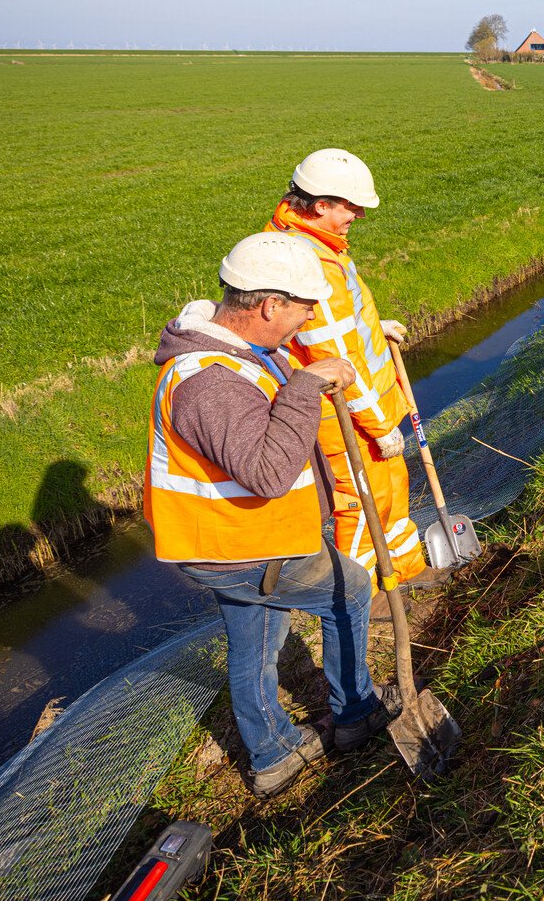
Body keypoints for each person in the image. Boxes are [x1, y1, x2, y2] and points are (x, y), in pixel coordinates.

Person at [145, 232, 392, 796]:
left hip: (224, 544)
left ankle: (273, 755)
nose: (306, 320)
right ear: (268, 305)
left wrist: (307, 375)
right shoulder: (208, 382)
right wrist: (305, 386)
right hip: (246, 547)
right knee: (350, 590)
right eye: (303, 308)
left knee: (256, 635)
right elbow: (268, 472)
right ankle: (355, 716)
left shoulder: (243, 351)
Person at [266, 148, 440, 598]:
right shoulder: (310, 262)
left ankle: (405, 570)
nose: (359, 214)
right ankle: (367, 598)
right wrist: (380, 426)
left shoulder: (318, 246)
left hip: (368, 403)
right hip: (345, 411)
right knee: (361, 503)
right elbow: (335, 356)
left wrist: (373, 329)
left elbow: (332, 330)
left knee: (390, 490)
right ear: (321, 204)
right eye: (351, 205)